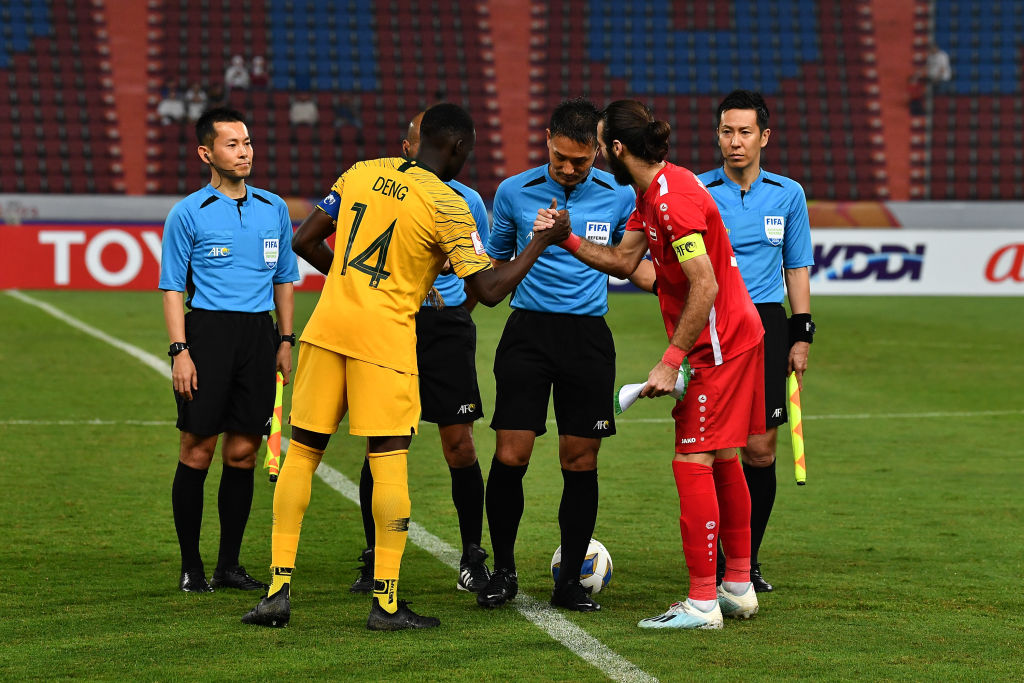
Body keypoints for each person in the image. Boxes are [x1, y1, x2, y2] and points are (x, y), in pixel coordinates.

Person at [241, 103, 570, 631]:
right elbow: (485, 290)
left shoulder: (362, 171)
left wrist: (352, 283)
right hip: (386, 338)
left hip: (326, 328)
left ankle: (277, 592)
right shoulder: (448, 205)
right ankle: (386, 603)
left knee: (301, 454)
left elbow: (304, 241)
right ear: (459, 148)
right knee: (389, 459)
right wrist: (540, 241)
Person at [534, 99, 765, 629]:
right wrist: (564, 236)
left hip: (718, 344)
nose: (594, 152)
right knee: (723, 457)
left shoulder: (673, 199)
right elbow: (621, 260)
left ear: (616, 148)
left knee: (693, 461)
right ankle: (737, 587)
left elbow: (703, 285)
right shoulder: (653, 191)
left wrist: (671, 361)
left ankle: (703, 602)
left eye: (598, 143)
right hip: (733, 336)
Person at [476, 98, 636, 613]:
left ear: (598, 151)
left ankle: (568, 582)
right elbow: (496, 262)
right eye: (560, 157)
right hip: (527, 334)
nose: (568, 168)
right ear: (547, 140)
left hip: (588, 339)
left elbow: (623, 260)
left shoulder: (618, 195)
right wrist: (539, 243)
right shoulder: (513, 192)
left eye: (580, 160)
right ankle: (502, 572)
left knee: (580, 458)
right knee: (511, 454)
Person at [348, 111, 493, 596]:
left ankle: (473, 554)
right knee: (384, 446)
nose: (410, 148)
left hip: (446, 331)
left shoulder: (466, 201)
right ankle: (373, 557)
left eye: (416, 140)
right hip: (394, 326)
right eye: (408, 140)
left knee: (460, 444)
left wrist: (456, 314)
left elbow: (478, 273)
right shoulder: (385, 186)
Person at [159, 107, 299, 594]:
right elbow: (173, 287)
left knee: (243, 453)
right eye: (232, 144)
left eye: (247, 142)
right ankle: (191, 565)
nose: (244, 152)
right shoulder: (187, 213)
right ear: (206, 153)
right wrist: (180, 350)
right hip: (208, 337)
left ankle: (229, 565)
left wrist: (285, 339)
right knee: (198, 451)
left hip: (259, 339)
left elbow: (284, 278)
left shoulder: (273, 207)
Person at [698, 90, 815, 594]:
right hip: (715, 325)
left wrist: (802, 332)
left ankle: (746, 560)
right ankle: (720, 557)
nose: (735, 141)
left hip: (768, 324)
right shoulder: (699, 191)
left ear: (764, 137)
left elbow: (796, 266)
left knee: (761, 452)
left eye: (745, 132)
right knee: (719, 449)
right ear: (718, 135)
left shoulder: (788, 194)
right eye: (727, 131)